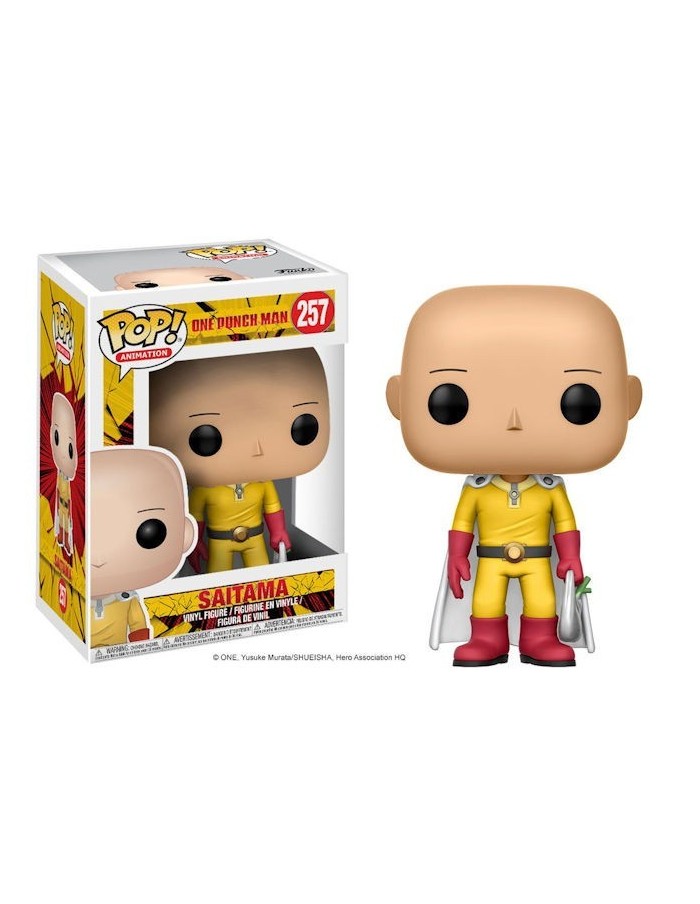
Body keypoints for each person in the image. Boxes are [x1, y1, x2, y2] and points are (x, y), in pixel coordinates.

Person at [387, 285, 642, 667]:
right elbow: (462, 523)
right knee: (485, 599)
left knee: (542, 599)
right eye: (451, 402)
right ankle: (486, 639)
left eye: (578, 402)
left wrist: (570, 556)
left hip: (538, 559)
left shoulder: (551, 488)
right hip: (489, 558)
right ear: (398, 399)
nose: (514, 421)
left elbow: (565, 523)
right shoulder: (476, 488)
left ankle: (540, 640)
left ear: (629, 399)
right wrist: (457, 556)